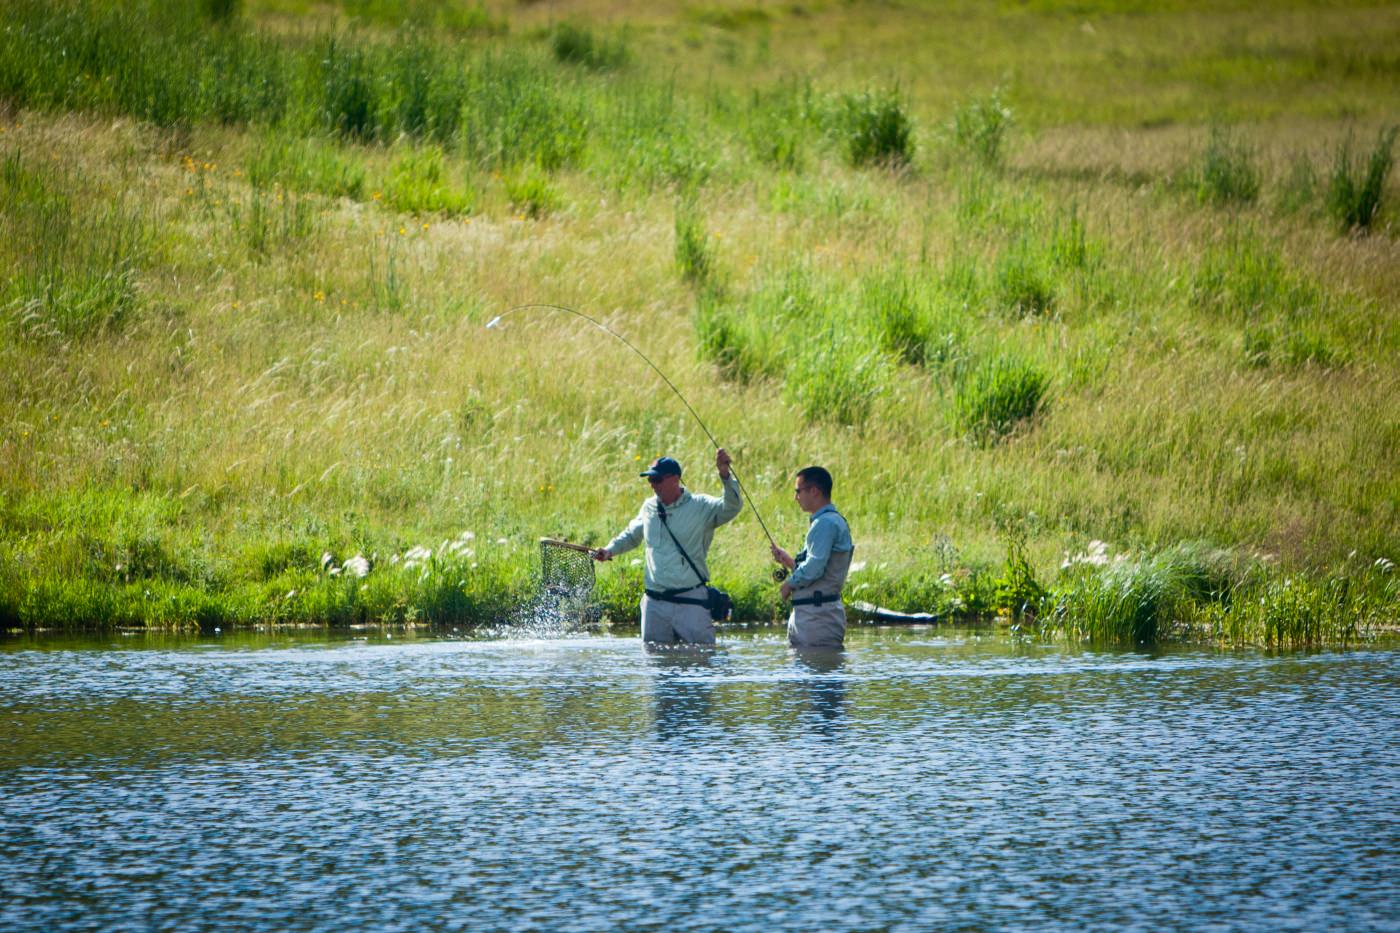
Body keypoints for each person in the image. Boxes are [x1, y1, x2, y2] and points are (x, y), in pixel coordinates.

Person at [593, 450, 742, 645]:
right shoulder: (649, 508)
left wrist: (725, 475)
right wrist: (609, 550)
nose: (653, 485)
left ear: (675, 479)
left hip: (691, 602)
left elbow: (732, 507)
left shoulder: (701, 506)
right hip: (655, 604)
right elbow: (631, 535)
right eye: (650, 480)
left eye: (657, 480)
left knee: (700, 663)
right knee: (655, 665)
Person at [770, 466, 853, 649]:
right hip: (813, 616)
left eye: (798, 491)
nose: (796, 498)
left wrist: (789, 584)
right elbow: (819, 566)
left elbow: (815, 566)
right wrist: (790, 562)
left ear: (814, 491)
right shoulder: (829, 521)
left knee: (814, 674)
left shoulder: (825, 523)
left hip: (818, 618)